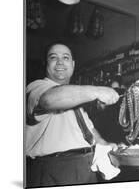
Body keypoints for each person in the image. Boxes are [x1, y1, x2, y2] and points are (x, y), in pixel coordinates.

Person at [25, 42, 120, 188]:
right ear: (45, 64)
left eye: (65, 57)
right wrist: (97, 91)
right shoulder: (36, 87)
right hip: (54, 171)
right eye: (53, 57)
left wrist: (104, 143)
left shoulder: (74, 96)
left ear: (73, 64)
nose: (60, 62)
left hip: (86, 169)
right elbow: (48, 100)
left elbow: (89, 130)